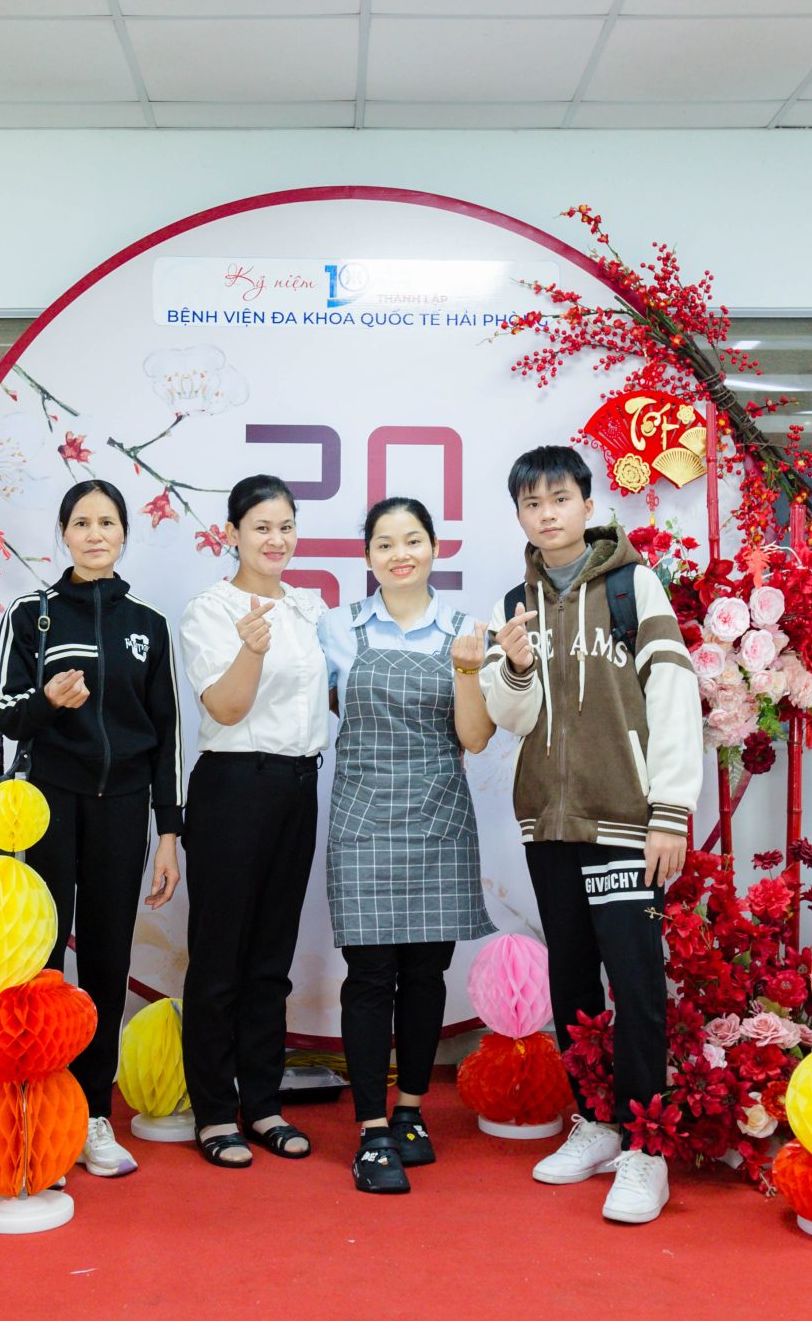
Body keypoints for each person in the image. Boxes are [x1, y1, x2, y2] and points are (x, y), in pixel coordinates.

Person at [478, 445, 703, 1225]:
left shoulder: (632, 585)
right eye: (532, 503)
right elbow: (511, 717)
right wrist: (512, 668)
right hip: (550, 821)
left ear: (586, 502)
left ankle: (647, 1148)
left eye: (560, 498)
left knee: (635, 985)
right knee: (572, 979)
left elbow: (671, 694)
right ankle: (596, 1123)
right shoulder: (516, 601)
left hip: (624, 818)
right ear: (519, 515)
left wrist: (669, 810)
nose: (547, 514)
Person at [0, 479, 183, 1179]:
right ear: (64, 534)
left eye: (107, 522)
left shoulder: (148, 625)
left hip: (123, 806)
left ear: (124, 533)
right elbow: (3, 710)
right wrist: (46, 701)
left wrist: (169, 832)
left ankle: (95, 1113)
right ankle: (38, 1105)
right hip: (49, 803)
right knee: (41, 959)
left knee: (105, 961)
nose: (95, 534)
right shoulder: (32, 614)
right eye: (81, 522)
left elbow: (166, 735)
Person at [318, 497, 495, 1194]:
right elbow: (325, 713)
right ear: (367, 556)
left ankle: (412, 1112)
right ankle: (371, 1131)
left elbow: (474, 737)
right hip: (362, 818)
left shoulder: (464, 631)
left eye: (412, 540)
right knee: (368, 977)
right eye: (386, 543)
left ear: (434, 548)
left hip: (439, 818)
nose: (400, 554)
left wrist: (469, 671)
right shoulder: (337, 627)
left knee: (425, 975)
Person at [176, 474, 327, 1169]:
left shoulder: (309, 607)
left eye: (286, 526)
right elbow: (227, 709)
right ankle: (214, 1111)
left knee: (272, 958)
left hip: (298, 786)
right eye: (262, 526)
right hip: (233, 788)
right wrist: (252, 649)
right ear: (232, 533)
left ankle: (263, 1102)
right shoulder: (209, 610)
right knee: (220, 958)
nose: (276, 539)